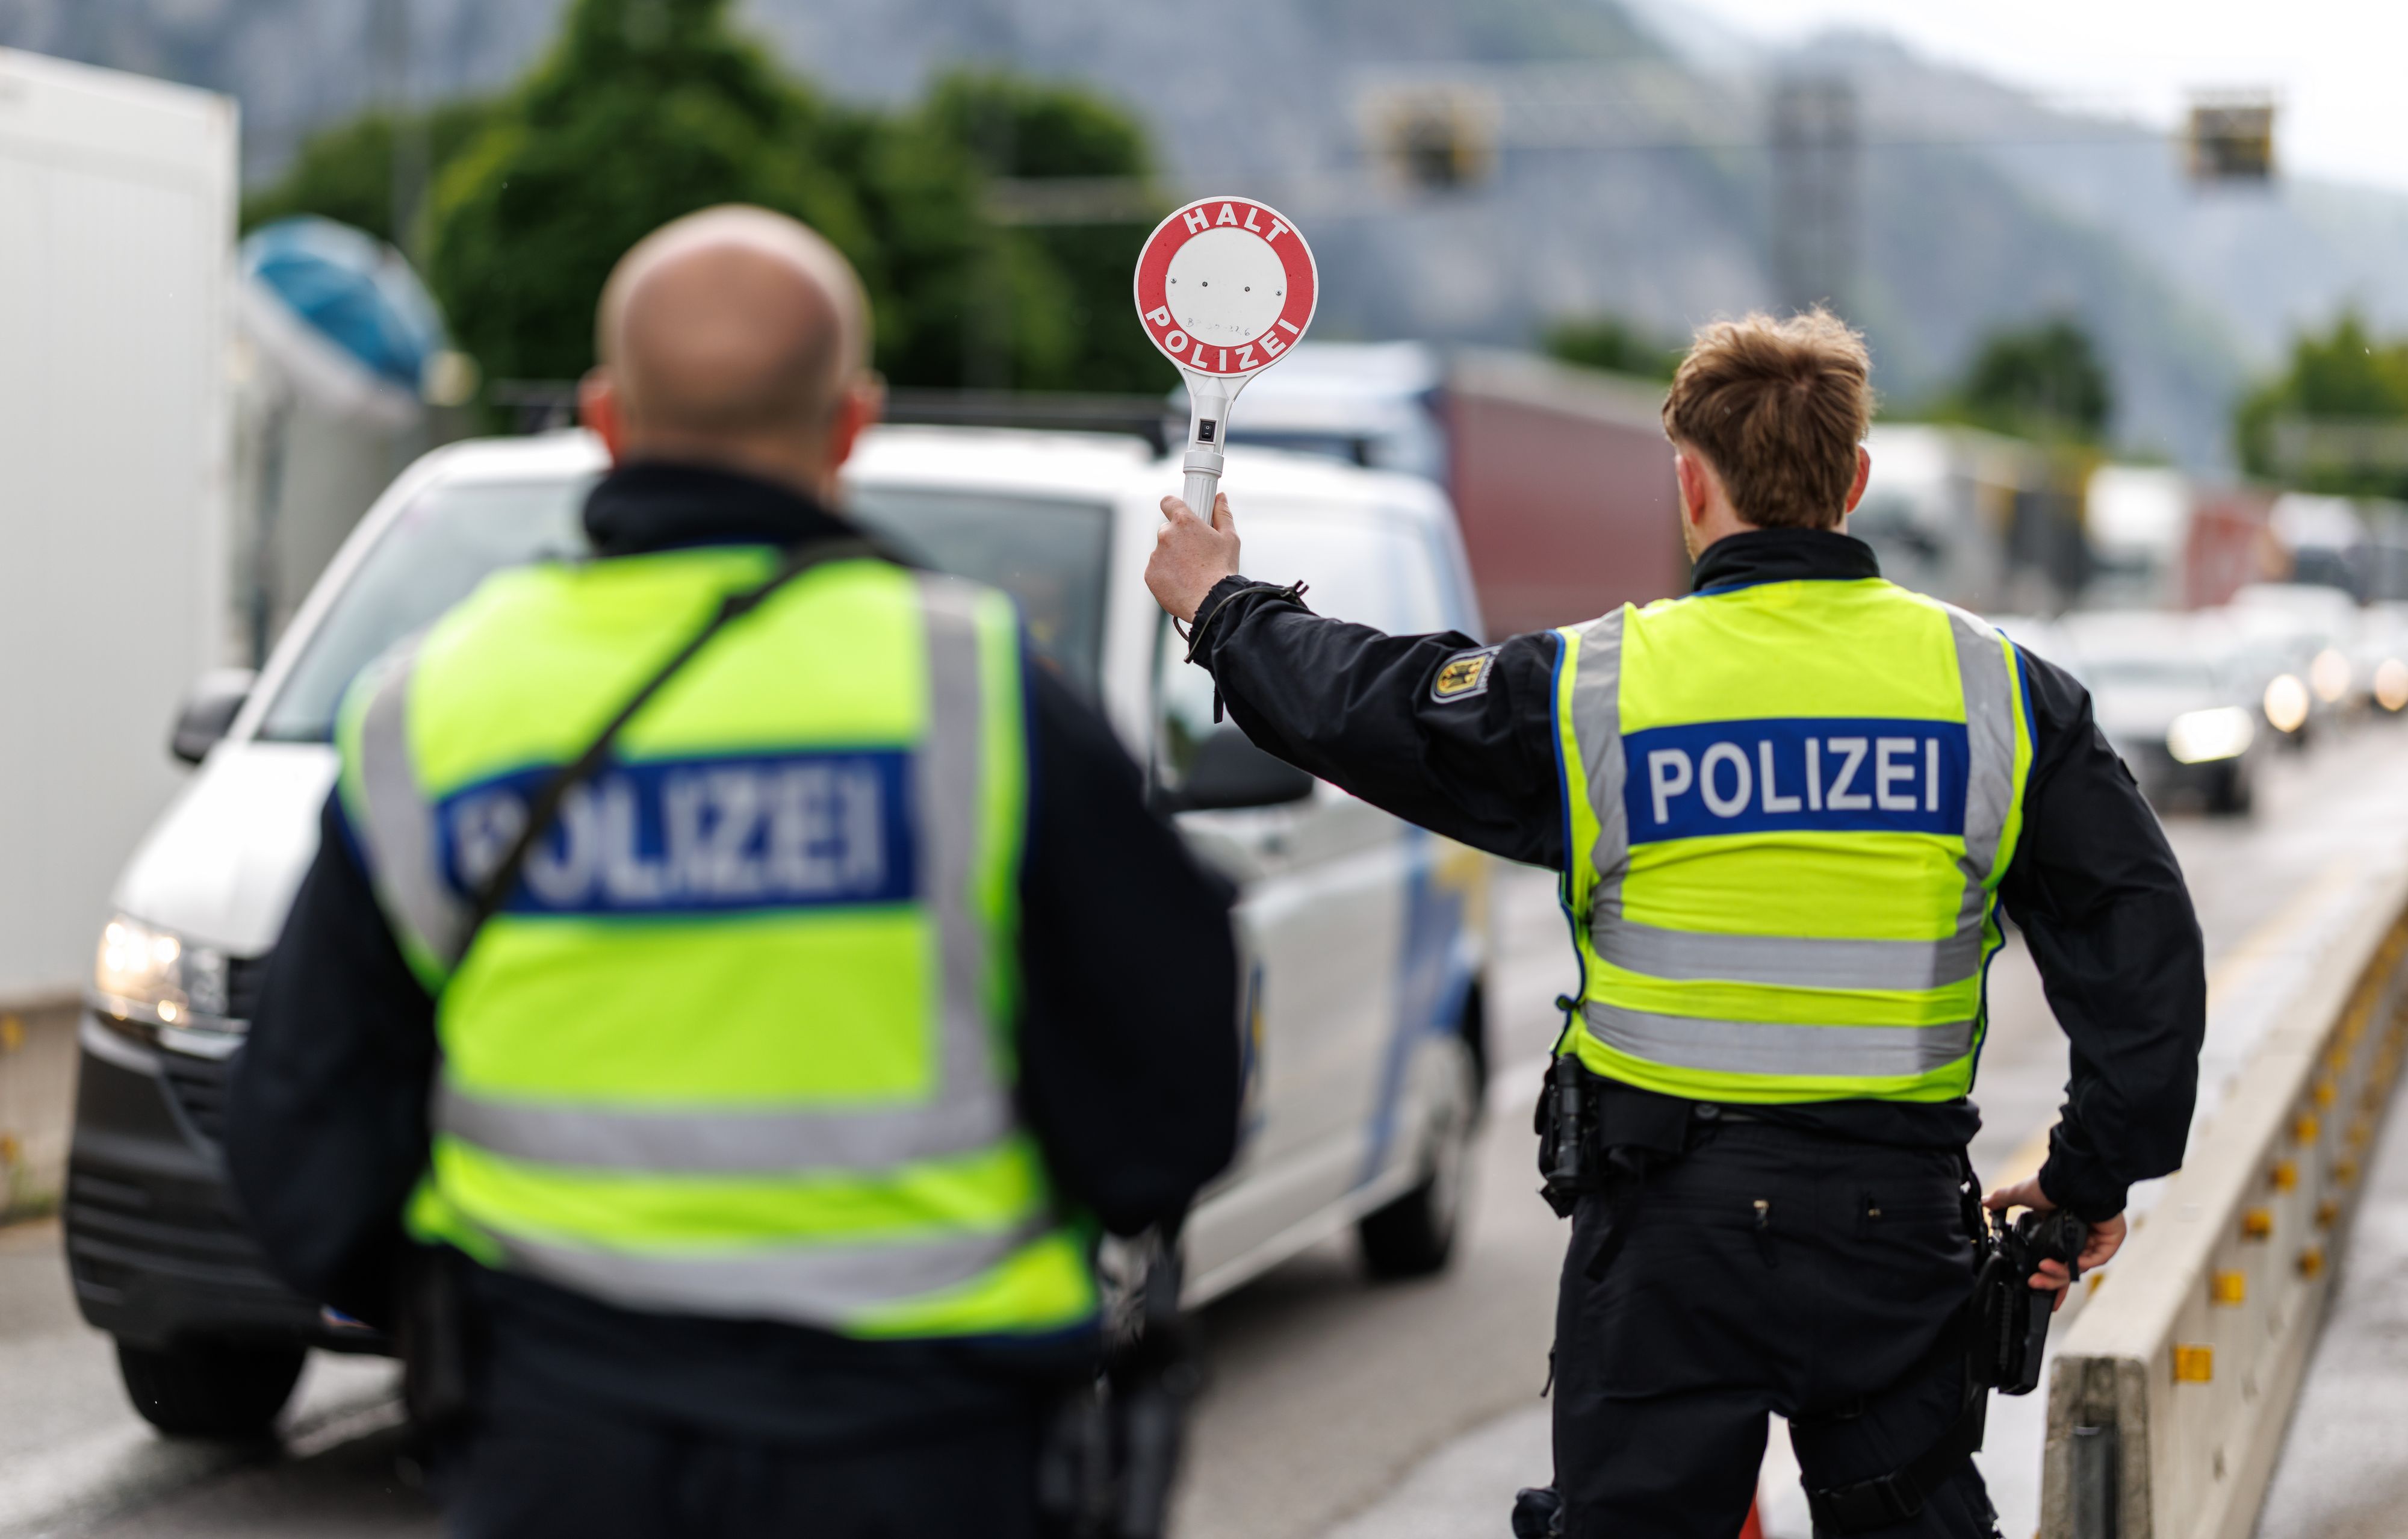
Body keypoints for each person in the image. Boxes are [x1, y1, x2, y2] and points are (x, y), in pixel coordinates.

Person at [228, 205, 1242, 1539]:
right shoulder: (977, 689)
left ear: (602, 417)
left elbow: (298, 1124)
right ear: (850, 421)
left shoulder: (428, 708)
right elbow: (1172, 1102)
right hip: (920, 1450)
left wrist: (471, 1326)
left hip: (560, 1447)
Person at [1144, 310, 2205, 1538]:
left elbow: (1372, 706)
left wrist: (1221, 607)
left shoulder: (1599, 687)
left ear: (1688, 485)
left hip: (1662, 1239)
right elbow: (2143, 970)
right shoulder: (2000, 694)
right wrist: (2079, 1189)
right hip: (1887, 1230)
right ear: (1852, 482)